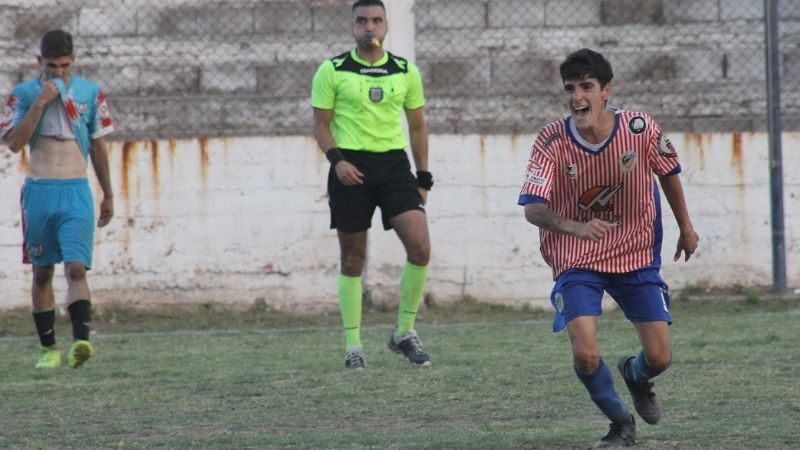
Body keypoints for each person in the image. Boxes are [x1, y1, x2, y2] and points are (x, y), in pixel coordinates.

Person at [518, 48, 699, 447]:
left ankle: (635, 375)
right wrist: (574, 228)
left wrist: (686, 227)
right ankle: (621, 422)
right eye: (570, 89)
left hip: (634, 252)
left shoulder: (640, 128)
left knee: (660, 358)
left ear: (606, 92)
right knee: (584, 353)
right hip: (577, 256)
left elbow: (669, 172)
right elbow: (532, 208)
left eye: (586, 87)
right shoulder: (552, 140)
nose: (577, 97)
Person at [311, 0, 433, 369]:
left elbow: (416, 125)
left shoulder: (404, 70)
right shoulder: (332, 70)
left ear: (386, 26)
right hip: (350, 165)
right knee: (352, 257)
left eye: (376, 20)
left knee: (420, 247)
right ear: (353, 26)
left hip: (394, 166)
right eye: (362, 21)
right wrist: (338, 162)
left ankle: (403, 333)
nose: (370, 27)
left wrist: (423, 175)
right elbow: (321, 124)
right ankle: (353, 346)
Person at [1, 29, 114, 369]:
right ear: (40, 63)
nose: (59, 72)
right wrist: (41, 102)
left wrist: (108, 193)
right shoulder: (23, 95)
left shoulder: (90, 93)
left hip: (76, 189)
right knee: (42, 271)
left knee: (77, 267)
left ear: (73, 62)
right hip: (40, 190)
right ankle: (48, 348)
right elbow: (14, 143)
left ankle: (81, 341)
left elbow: (97, 144)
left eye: (65, 66)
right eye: (52, 66)